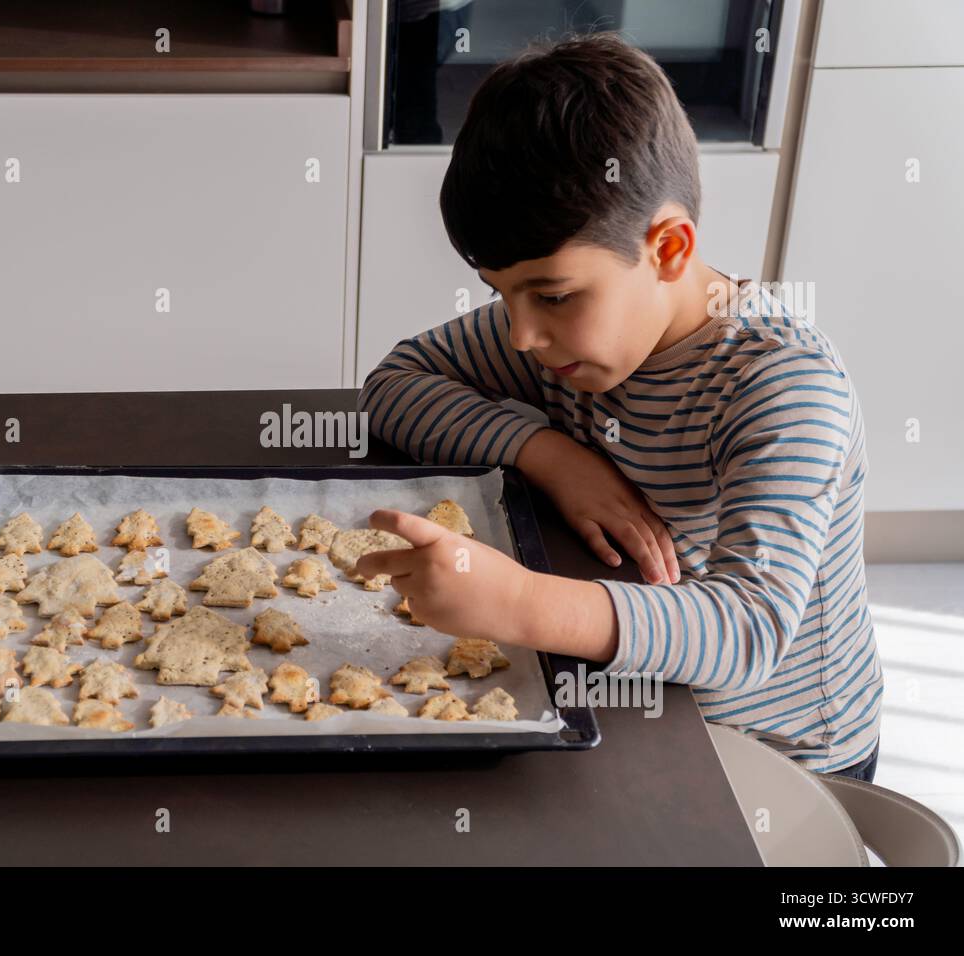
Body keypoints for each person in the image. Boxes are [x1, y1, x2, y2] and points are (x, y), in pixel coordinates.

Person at [355, 32, 882, 780]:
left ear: (668, 249)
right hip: (640, 703)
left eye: (553, 295)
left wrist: (519, 603)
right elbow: (397, 383)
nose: (521, 335)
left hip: (782, 760)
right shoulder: (568, 336)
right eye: (502, 296)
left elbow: (747, 633)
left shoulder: (786, 388)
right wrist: (549, 454)